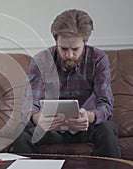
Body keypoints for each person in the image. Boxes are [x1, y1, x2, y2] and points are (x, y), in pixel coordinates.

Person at [11, 9, 121, 158]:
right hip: (51, 129)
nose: (69, 55)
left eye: (75, 49)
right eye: (63, 49)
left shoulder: (99, 59)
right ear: (56, 41)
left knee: (108, 129)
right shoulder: (41, 61)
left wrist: (89, 116)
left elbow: (105, 104)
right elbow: (29, 104)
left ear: (85, 42)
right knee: (21, 132)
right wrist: (37, 118)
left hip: (86, 127)